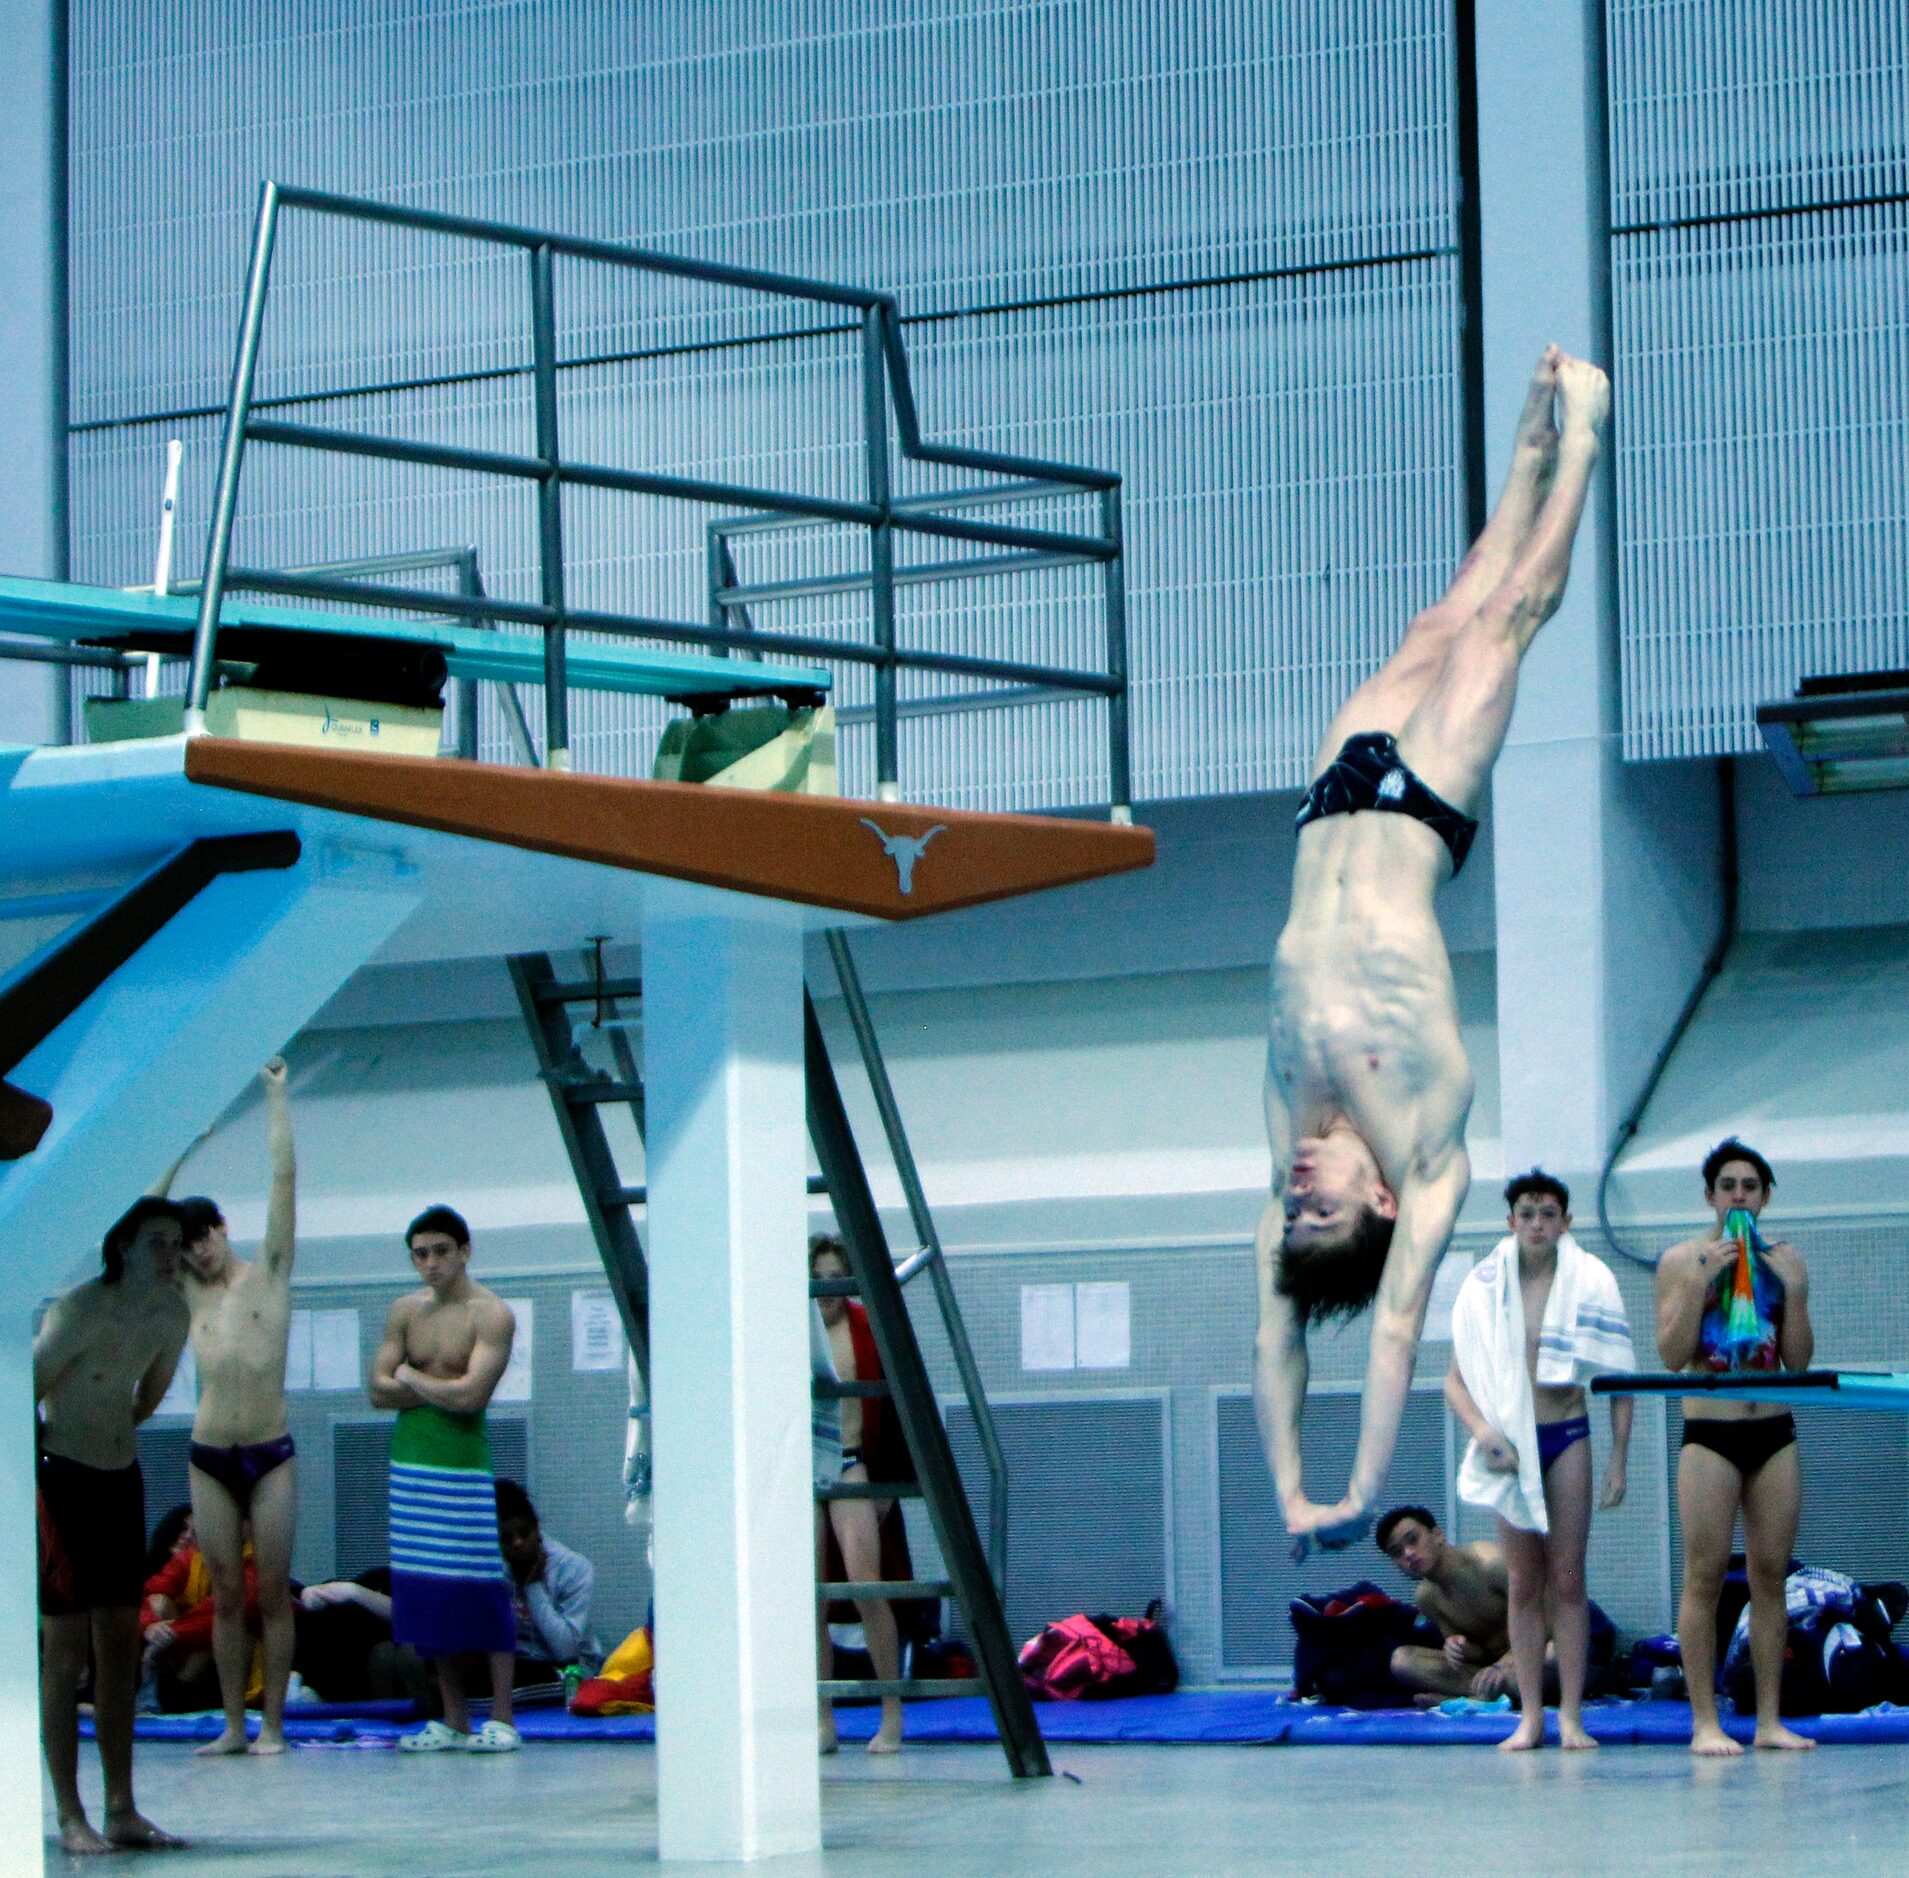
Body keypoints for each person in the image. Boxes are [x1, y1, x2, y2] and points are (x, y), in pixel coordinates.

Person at [1255, 348, 1612, 1552]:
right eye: (1320, 1210)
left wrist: (1284, 1488)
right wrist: (1352, 1491)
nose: (1300, 1188)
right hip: (1418, 813)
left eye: (1292, 1205)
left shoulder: (1295, 1127)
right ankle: (1586, 446)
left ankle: (1523, 453)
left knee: (1442, 610)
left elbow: (1276, 1336)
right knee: (1505, 623)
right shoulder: (1425, 1151)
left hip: (1329, 799)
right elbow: (1393, 1326)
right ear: (1384, 1203)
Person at [1445, 1171, 1634, 1749]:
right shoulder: (1482, 1286)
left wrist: (1619, 1459)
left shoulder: (1591, 1280)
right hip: (1511, 1445)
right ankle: (1530, 1717)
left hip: (1568, 1434)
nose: (1537, 1224)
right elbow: (1455, 1382)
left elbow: (1618, 1378)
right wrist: (1482, 1432)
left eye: (1549, 1214)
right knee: (1526, 1582)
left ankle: (1571, 1715)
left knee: (1568, 1578)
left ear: (1566, 1222)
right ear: (1510, 1222)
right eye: (1526, 1213)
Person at [150, 1057, 300, 1755]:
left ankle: (271, 1724)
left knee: (271, 1594)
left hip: (269, 1453)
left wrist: (276, 1097)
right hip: (210, 1455)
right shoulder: (189, 1292)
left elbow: (283, 1181)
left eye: (203, 1240)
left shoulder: (269, 1273)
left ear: (222, 1230)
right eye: (186, 1250)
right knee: (225, 1600)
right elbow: (142, 1221)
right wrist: (182, 1145)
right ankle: (234, 1727)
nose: (198, 1256)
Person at [34, 1197, 190, 1854]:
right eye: (156, 1241)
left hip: (118, 1480)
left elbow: (150, 1393)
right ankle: (71, 1814)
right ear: (122, 1247)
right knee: (67, 1651)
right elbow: (23, 1388)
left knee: (121, 1648)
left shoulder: (171, 1313)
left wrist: (113, 1433)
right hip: (63, 1479)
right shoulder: (77, 1311)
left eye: (175, 1242)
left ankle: (123, 1807)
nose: (170, 1254)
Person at [1657, 1137, 1815, 1755]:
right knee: (1702, 1576)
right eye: (1729, 1187)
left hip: (1773, 1430)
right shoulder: (1681, 1260)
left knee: (1770, 1577)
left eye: (1750, 1186)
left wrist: (1796, 1294)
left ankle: (1770, 1720)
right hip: (1711, 1435)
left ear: (1766, 1196)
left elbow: (1797, 1361)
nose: (1740, 1196)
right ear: (1710, 1196)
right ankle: (1705, 1722)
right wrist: (1700, 1284)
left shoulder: (1783, 1262)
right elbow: (1672, 1357)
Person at [369, 1204, 521, 1753]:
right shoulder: (404, 1312)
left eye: (439, 1252)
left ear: (464, 1251)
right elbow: (375, 1391)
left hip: (462, 1464)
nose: (429, 1264)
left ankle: (501, 1717)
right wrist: (429, 1384)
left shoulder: (492, 1314)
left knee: (480, 1586)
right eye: (420, 1254)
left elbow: (471, 1396)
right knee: (425, 1593)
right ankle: (454, 1717)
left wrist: (408, 1376)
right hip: (411, 1463)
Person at [812, 1232, 909, 1755]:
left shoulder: (866, 1329)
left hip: (851, 1464)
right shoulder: (790, 1328)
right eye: (818, 1279)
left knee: (867, 1585)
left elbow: (897, 1405)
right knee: (808, 1598)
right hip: (805, 1470)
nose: (827, 1290)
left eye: (836, 1279)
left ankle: (890, 1711)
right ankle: (822, 1718)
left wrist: (888, 1481)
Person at [1375, 1506, 1517, 1702]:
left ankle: (1473, 1697)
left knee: (1554, 1655)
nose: (1408, 1553)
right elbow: (1477, 1654)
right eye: (1397, 1552)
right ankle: (1486, 1694)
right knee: (1402, 1661)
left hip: (1532, 1660)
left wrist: (1507, 1662)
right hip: (1491, 1671)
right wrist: (1457, 1647)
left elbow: (1547, 1621)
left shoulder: (1490, 1563)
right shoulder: (1427, 1597)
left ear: (1437, 1535)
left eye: (1413, 1540)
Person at [140, 1505, 262, 1715]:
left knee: (233, 1626)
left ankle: (182, 1695)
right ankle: (167, 1693)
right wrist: (149, 1625)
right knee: (157, 1602)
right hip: (186, 1654)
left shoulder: (260, 1562)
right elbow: (143, 1595)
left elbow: (232, 1604)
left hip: (233, 1660)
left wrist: (175, 1634)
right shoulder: (191, 1558)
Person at [496, 1479, 601, 1682]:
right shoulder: (495, 1570)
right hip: (518, 1665)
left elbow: (566, 1650)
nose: (518, 1544)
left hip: (571, 1668)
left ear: (537, 1529)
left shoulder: (574, 1569)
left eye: (525, 1533)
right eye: (507, 1539)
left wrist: (533, 1587)